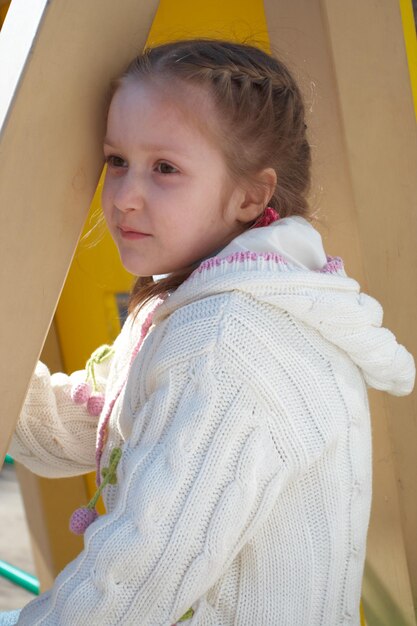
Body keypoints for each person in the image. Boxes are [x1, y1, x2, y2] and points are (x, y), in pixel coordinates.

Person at [1, 39, 414, 626]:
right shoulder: (203, 304)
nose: (124, 196)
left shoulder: (230, 343)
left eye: (164, 168)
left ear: (252, 195)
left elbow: (135, 585)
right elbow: (80, 430)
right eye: (116, 160)